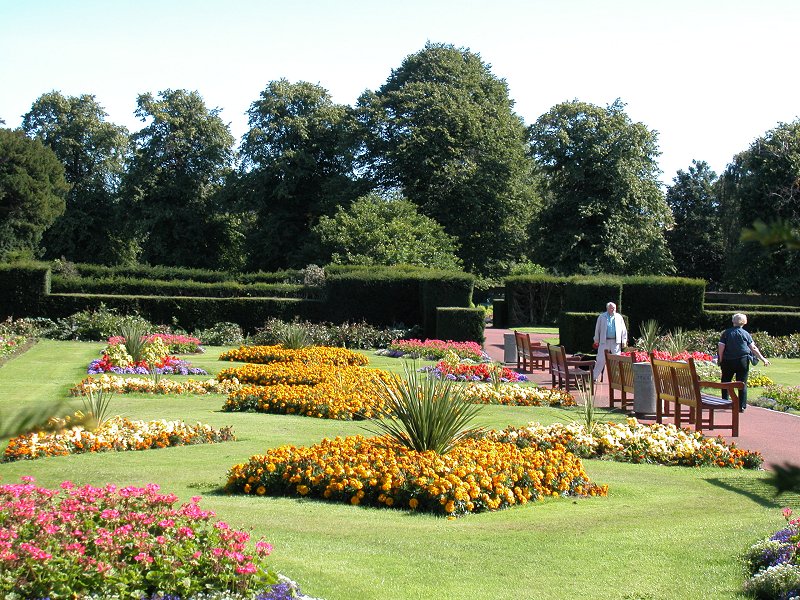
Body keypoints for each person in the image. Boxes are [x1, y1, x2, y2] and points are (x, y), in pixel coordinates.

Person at [718, 313, 769, 411]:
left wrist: (721, 359)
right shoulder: (746, 334)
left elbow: (721, 346)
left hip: (728, 360)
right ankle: (741, 406)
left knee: (725, 381)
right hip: (742, 360)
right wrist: (763, 359)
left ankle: (725, 402)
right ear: (744, 322)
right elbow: (753, 348)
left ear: (733, 321)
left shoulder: (726, 333)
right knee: (742, 383)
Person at [592, 302, 627, 381]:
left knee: (616, 360)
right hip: (604, 341)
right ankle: (593, 377)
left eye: (614, 308)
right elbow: (597, 329)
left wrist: (624, 340)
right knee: (600, 359)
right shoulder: (602, 317)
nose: (613, 309)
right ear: (607, 308)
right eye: (611, 308)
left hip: (615, 341)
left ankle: (617, 379)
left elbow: (623, 329)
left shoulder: (619, 317)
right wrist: (596, 340)